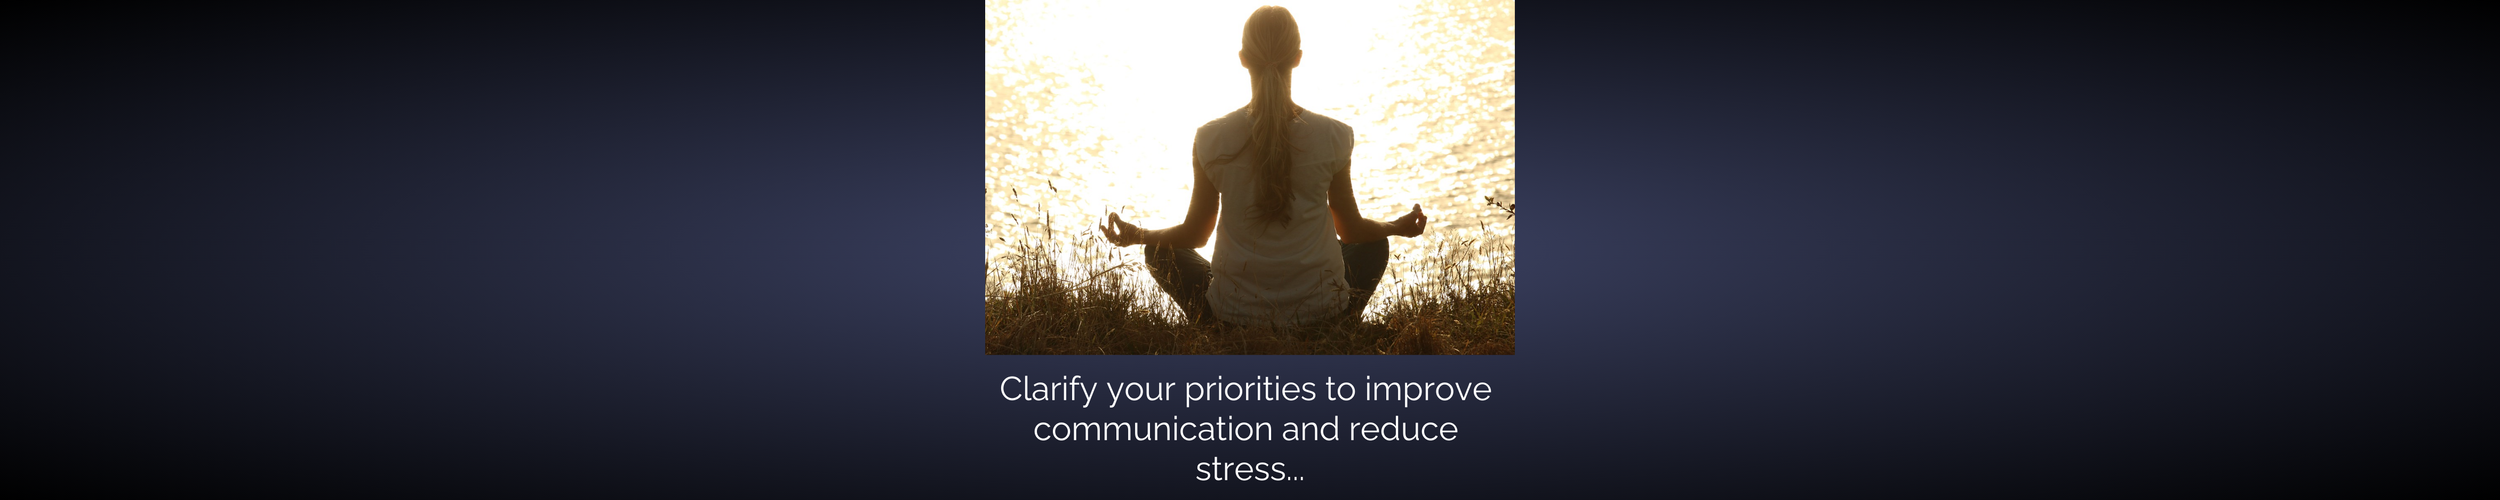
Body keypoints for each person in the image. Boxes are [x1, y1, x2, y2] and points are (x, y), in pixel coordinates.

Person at [1098, 6, 1428, 329]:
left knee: (1160, 251)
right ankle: (1338, 325)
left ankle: (1214, 328)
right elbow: (1351, 231)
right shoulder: (1334, 135)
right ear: (1298, 57)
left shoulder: (1211, 137)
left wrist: (1136, 236)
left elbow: (1196, 234)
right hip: (1322, 317)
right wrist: (1395, 227)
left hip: (1232, 318)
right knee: (1373, 243)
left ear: (1243, 58)